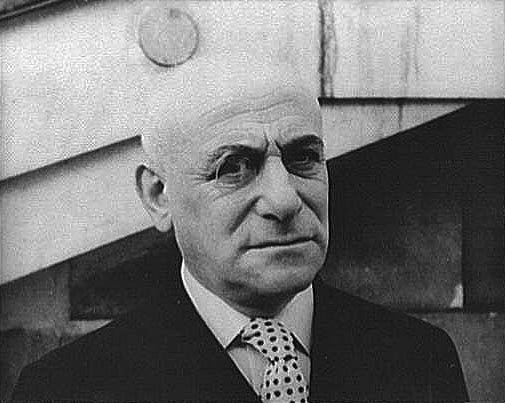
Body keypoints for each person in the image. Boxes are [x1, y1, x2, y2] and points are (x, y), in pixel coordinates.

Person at [11, 60, 469, 402]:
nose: (285, 200)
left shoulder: (420, 360)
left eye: (303, 158)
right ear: (158, 195)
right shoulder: (66, 389)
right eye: (234, 167)